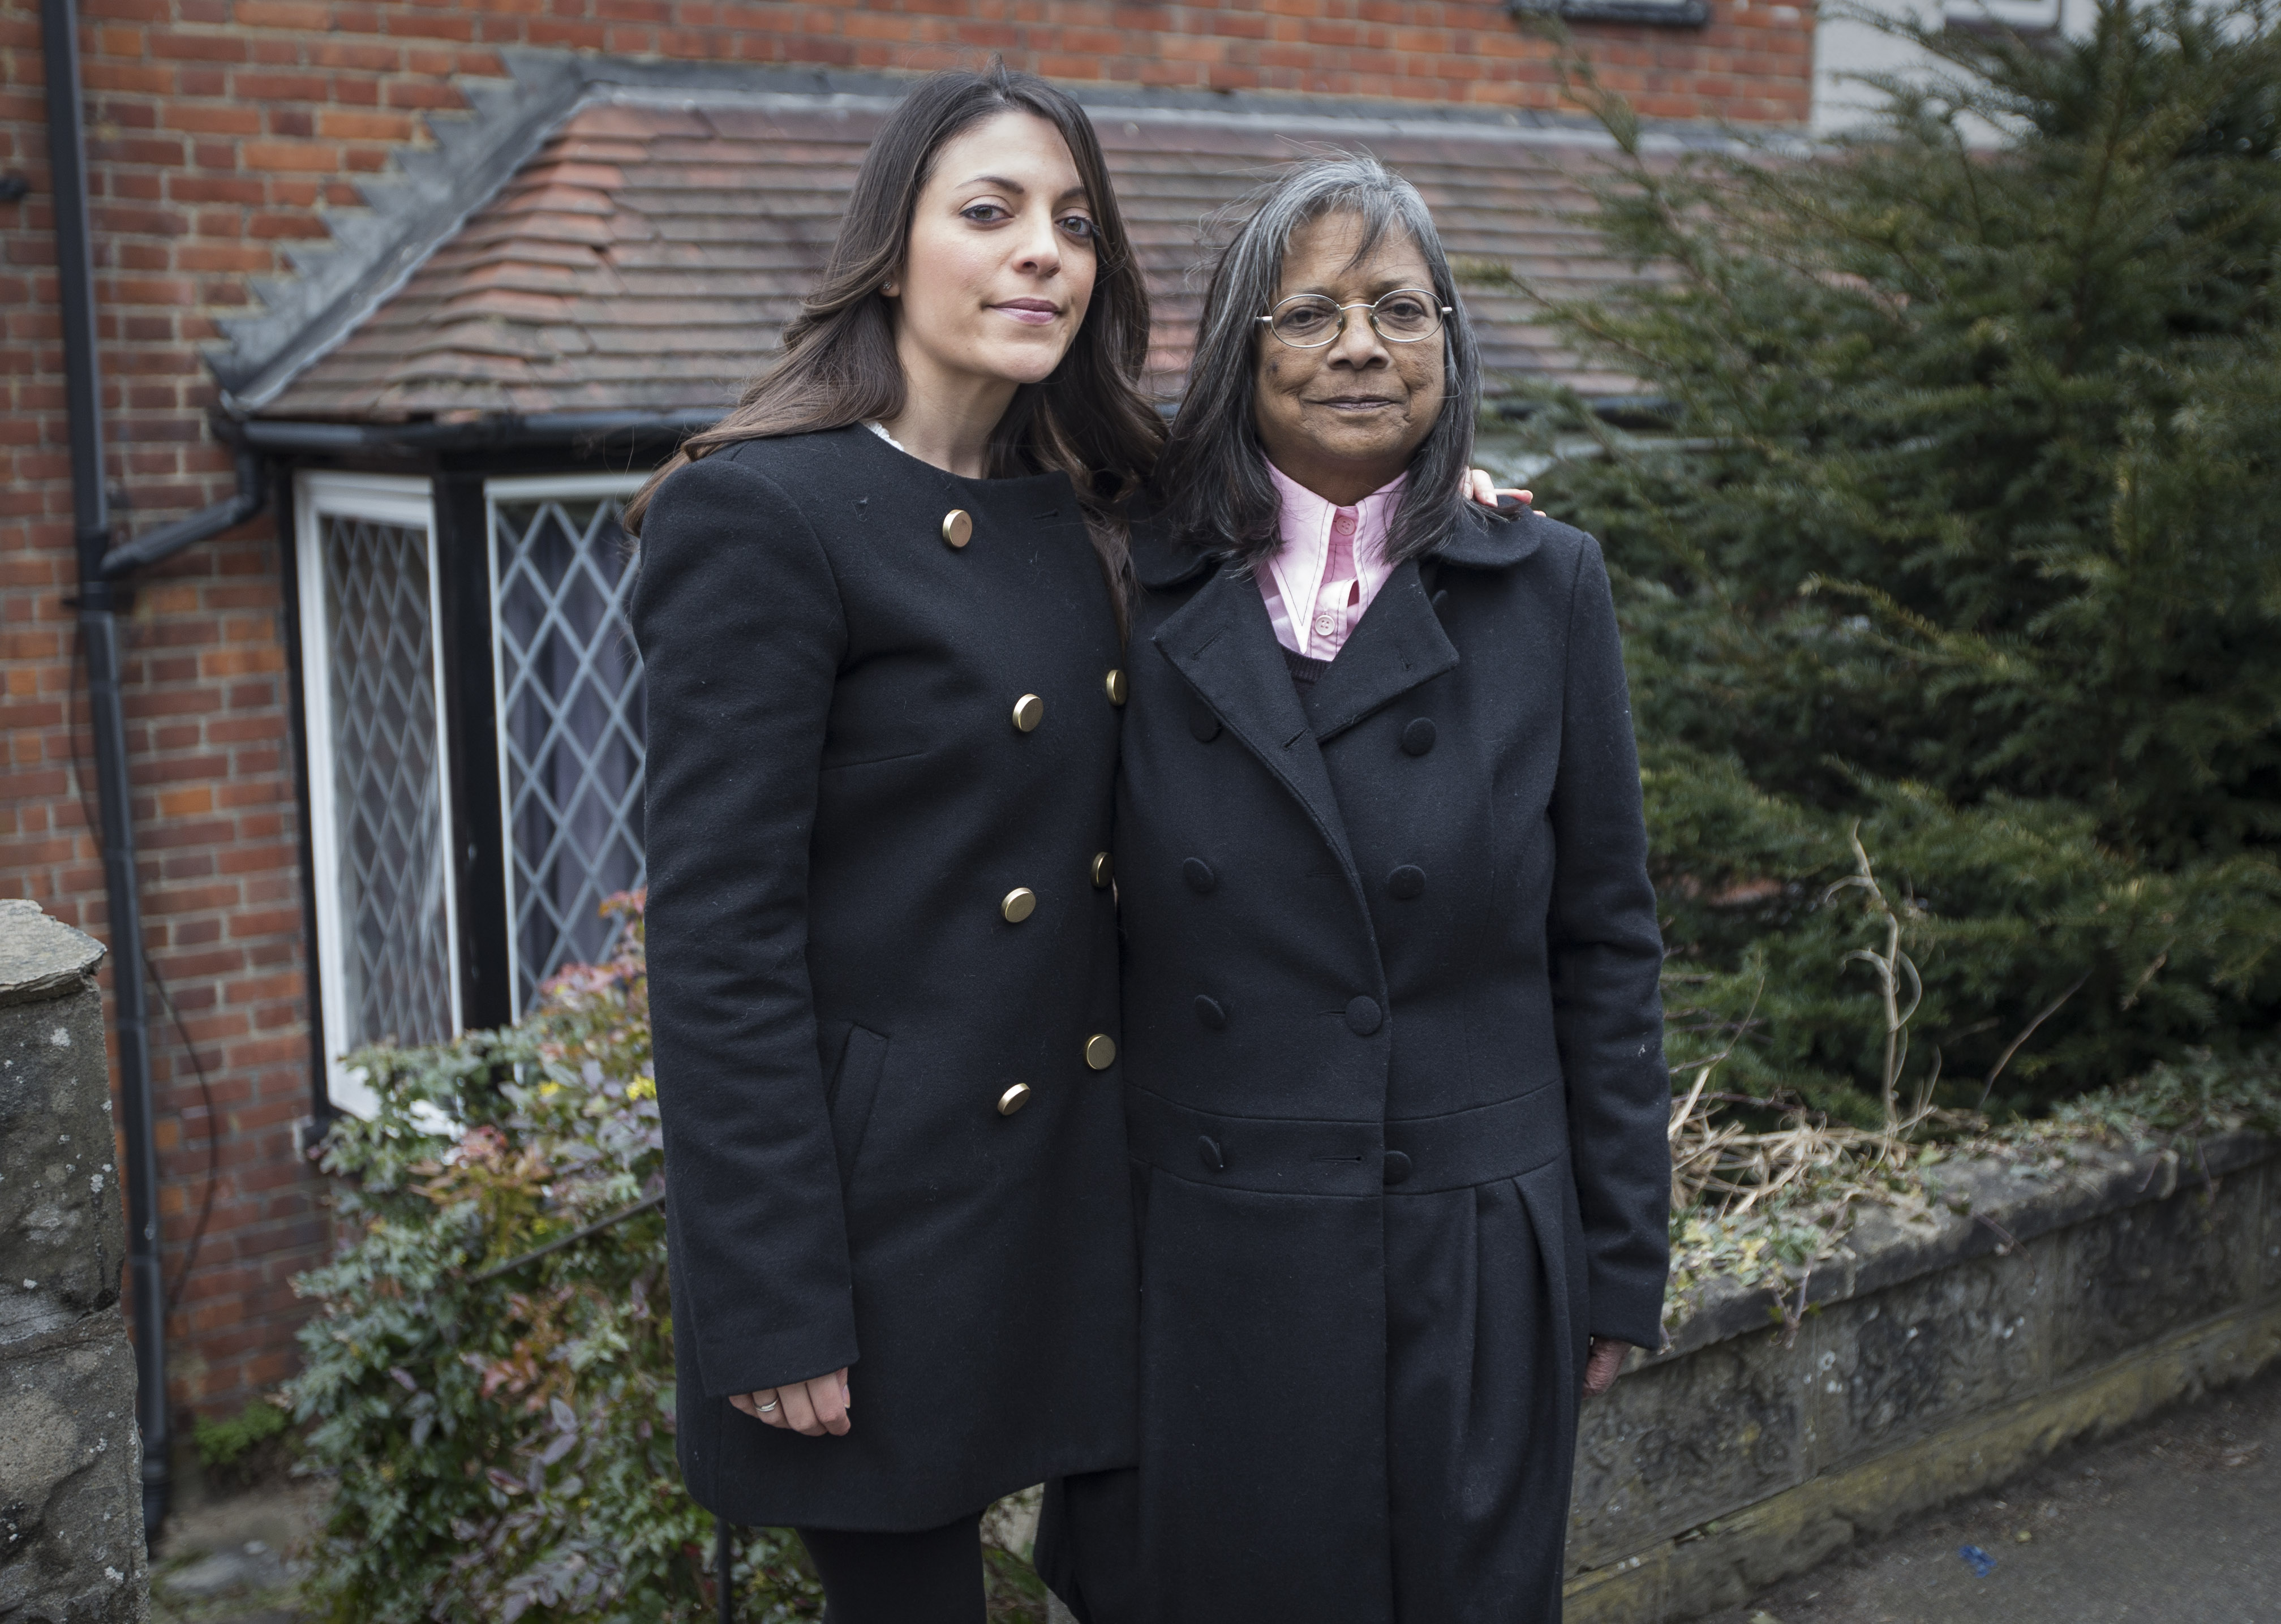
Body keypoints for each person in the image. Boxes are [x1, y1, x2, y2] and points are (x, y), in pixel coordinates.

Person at [1036, 155, 1673, 1624]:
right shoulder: (1130, 574)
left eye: (1401, 309)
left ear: (1452, 345)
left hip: (1461, 1252)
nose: (1361, 347)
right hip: (1197, 1257)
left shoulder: (1549, 584)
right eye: (1309, 314)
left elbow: (1606, 940)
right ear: (1241, 355)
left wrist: (1620, 1258)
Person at [623, 66, 1162, 1623]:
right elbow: (718, 945)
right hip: (884, 1229)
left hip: (1096, 1196)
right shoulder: (766, 516)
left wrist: (1429, 501)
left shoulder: (1099, 505)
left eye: (1073, 222)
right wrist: (770, 1304)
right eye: (989, 213)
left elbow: (1297, 527)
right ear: (894, 248)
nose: (1043, 252)